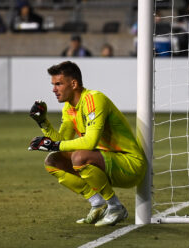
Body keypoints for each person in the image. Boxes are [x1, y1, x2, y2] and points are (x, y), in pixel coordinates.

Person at [28, 61, 146, 226]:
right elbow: (62, 141)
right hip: (105, 163)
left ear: (74, 84)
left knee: (79, 157)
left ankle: (115, 207)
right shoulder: (69, 108)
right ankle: (97, 203)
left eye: (58, 84)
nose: (54, 89)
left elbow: (89, 142)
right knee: (53, 160)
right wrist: (43, 123)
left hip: (130, 164)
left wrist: (54, 145)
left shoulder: (94, 99)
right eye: (53, 84)